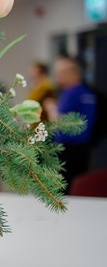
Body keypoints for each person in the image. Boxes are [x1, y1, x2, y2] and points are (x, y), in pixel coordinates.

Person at [52, 57, 97, 193]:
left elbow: (60, 122)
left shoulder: (73, 94)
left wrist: (51, 108)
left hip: (68, 150)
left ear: (71, 73)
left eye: (60, 72)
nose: (57, 76)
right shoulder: (86, 92)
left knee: (64, 190)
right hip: (81, 149)